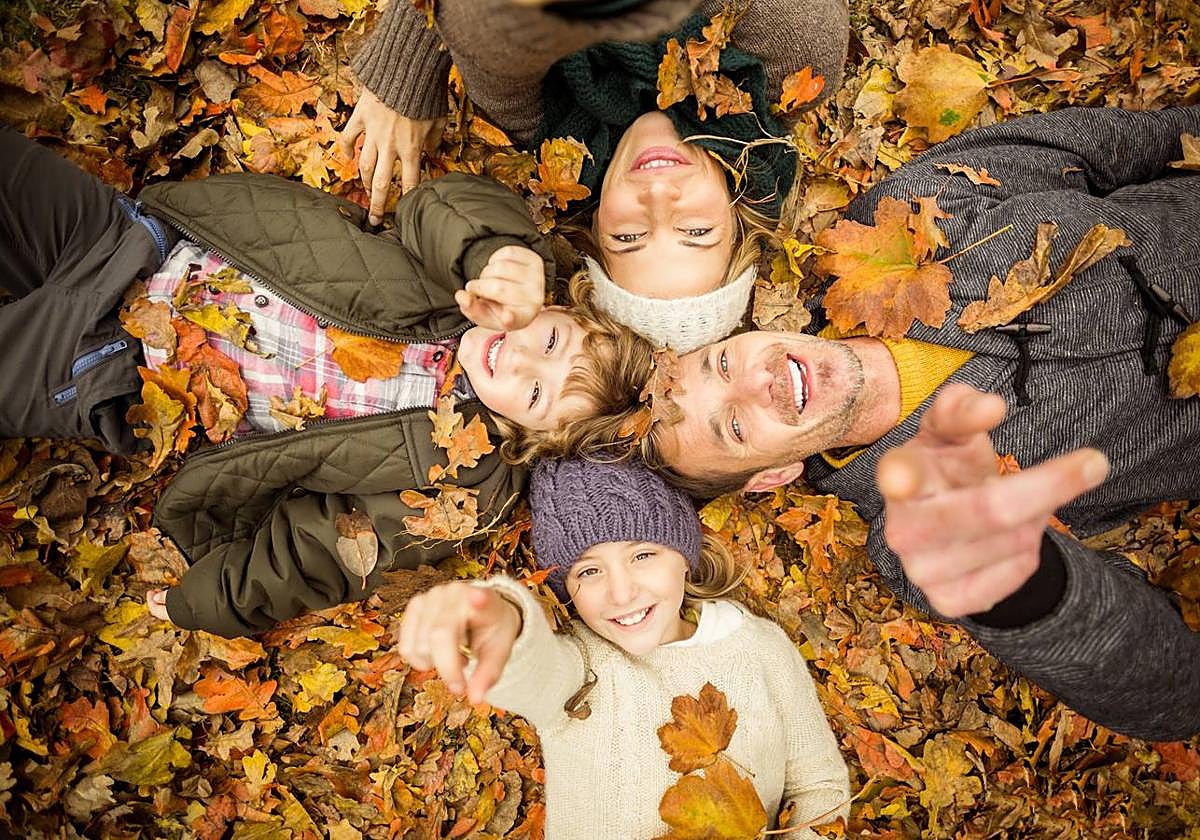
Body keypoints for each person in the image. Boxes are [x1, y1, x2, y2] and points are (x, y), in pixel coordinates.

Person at [639, 104, 1200, 741]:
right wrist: (1018, 582)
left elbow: (1114, 144)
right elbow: (1169, 697)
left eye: (720, 364)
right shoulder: (918, 536)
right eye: (735, 428)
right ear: (774, 476)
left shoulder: (899, 225)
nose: (754, 383)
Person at [0, 127, 653, 638]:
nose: (518, 358)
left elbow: (322, 551)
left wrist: (214, 598)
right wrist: (498, 255)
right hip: (144, 241)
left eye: (536, 393)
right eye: (550, 340)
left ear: (531, 437)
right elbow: (438, 206)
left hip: (120, 364)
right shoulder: (476, 282)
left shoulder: (462, 482)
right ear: (562, 306)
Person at [341, 0, 850, 351]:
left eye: (629, 238)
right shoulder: (795, 61)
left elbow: (483, 18)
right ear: (738, 211)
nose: (658, 197)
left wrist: (416, 53)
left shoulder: (541, 118)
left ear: (595, 224)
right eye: (696, 231)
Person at [398, 457, 849, 838]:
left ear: (684, 556)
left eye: (642, 555)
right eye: (589, 571)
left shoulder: (761, 648)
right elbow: (533, 668)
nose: (621, 592)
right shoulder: (582, 667)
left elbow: (819, 786)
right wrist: (501, 619)